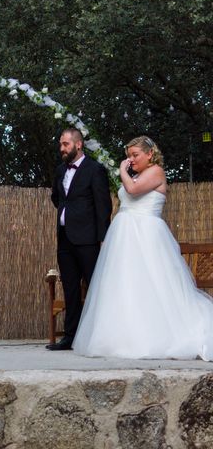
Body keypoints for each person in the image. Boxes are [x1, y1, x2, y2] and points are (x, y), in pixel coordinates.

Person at [73, 137, 213, 360]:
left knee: (153, 282)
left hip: (146, 234)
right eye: (128, 156)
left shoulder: (156, 171)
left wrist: (122, 170)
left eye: (135, 155)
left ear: (150, 154)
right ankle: (121, 337)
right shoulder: (136, 174)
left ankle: (158, 336)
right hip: (125, 234)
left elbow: (133, 189)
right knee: (125, 284)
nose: (131, 160)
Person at [48, 127, 112, 350]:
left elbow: (104, 206)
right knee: (71, 289)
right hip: (65, 238)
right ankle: (70, 337)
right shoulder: (59, 171)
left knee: (95, 287)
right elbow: (57, 198)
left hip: (88, 239)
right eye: (60, 144)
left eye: (65, 144)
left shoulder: (95, 169)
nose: (61, 148)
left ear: (78, 144)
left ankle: (101, 335)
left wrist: (102, 238)